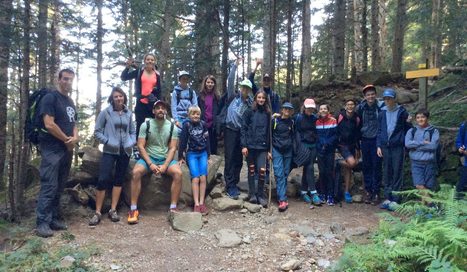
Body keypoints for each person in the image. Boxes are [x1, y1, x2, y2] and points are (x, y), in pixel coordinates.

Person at [36, 68, 78, 238]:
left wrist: (74, 138)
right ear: (59, 79)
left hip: (66, 149)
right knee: (49, 184)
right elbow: (49, 124)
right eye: (65, 79)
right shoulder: (50, 98)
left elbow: (74, 123)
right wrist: (66, 140)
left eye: (70, 80)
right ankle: (42, 222)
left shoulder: (70, 102)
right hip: (52, 147)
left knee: (60, 184)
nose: (68, 82)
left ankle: (53, 218)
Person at [127, 100, 182, 224]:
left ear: (166, 111)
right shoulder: (145, 125)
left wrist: (165, 165)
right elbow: (140, 146)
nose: (160, 110)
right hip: (148, 158)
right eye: (158, 108)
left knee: (178, 174)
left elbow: (173, 147)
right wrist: (150, 164)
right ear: (153, 111)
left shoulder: (172, 126)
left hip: (165, 159)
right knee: (136, 173)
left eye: (163, 108)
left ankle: (173, 207)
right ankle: (133, 209)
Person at [89, 87, 136, 226]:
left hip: (125, 151)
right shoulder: (106, 113)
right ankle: (97, 212)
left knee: (119, 179)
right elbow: (97, 132)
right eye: (116, 96)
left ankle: (113, 210)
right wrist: (108, 141)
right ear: (112, 98)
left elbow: (133, 131)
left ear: (124, 97)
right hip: (109, 150)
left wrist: (131, 142)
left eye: (121, 96)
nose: (118, 99)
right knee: (103, 178)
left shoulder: (128, 113)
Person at [377, 88, 412, 211]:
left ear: (394, 99)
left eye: (389, 98)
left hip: (398, 146)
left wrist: (405, 143)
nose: (387, 100)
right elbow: (379, 130)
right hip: (385, 146)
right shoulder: (381, 112)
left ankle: (396, 199)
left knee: (397, 171)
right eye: (385, 98)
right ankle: (387, 197)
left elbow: (408, 128)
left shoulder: (402, 112)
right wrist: (378, 146)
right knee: (387, 171)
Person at [223, 59, 253, 199]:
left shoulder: (250, 103)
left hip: (241, 132)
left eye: (247, 88)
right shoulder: (233, 96)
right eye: (243, 88)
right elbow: (230, 80)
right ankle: (229, 185)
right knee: (229, 158)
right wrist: (235, 65)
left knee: (238, 159)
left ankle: (234, 182)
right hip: (229, 129)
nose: (245, 90)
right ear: (240, 88)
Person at [241, 90, 272, 207]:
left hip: (262, 147)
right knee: (252, 170)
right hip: (250, 146)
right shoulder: (249, 111)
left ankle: (260, 194)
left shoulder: (268, 113)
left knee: (262, 171)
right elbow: (243, 128)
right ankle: (252, 194)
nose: (261, 100)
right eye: (259, 97)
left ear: (265, 100)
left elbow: (270, 133)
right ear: (255, 98)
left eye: (263, 98)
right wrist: (243, 145)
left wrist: (269, 150)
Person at [178, 106, 210, 213]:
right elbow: (182, 141)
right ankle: (196, 204)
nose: (196, 116)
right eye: (193, 114)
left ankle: (202, 202)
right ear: (189, 115)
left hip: (203, 153)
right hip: (192, 153)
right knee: (195, 178)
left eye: (197, 114)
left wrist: (208, 154)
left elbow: (207, 139)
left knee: (203, 178)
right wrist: (180, 157)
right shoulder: (186, 125)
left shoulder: (203, 124)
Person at [120, 53, 161, 136]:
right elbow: (124, 77)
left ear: (154, 62)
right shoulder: (139, 72)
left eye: (152, 60)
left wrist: (159, 103)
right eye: (148, 59)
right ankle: (138, 146)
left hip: (153, 103)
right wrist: (128, 66)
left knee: (155, 126)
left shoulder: (157, 74)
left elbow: (159, 90)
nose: (150, 61)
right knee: (140, 126)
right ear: (144, 61)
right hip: (141, 102)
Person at [356, 85, 384, 204]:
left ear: (375, 95)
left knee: (376, 165)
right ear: (365, 96)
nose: (370, 96)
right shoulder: (361, 108)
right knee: (366, 166)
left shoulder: (381, 107)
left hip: (377, 139)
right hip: (365, 139)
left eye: (372, 94)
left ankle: (376, 192)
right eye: (368, 95)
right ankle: (368, 191)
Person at [404, 109, 439, 191]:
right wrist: (423, 142)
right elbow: (408, 144)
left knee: (429, 186)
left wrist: (415, 146)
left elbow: (433, 146)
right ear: (415, 119)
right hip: (416, 163)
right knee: (419, 185)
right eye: (418, 117)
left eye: (423, 117)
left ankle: (425, 203)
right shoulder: (412, 131)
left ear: (427, 118)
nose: (420, 119)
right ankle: (431, 203)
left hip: (429, 163)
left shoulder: (433, 131)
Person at [295, 98, 321, 206]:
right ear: (304, 107)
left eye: (312, 108)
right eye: (308, 108)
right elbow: (296, 131)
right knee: (309, 166)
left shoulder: (315, 118)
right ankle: (314, 192)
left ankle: (304, 191)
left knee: (308, 167)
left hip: (313, 145)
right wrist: (298, 145)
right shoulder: (299, 118)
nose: (310, 110)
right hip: (303, 145)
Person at [336, 99, 362, 203]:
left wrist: (358, 148)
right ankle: (336, 161)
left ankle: (346, 192)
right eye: (348, 105)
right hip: (341, 145)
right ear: (345, 106)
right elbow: (335, 130)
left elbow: (358, 134)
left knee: (349, 168)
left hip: (352, 145)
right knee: (351, 163)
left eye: (352, 104)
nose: (350, 106)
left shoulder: (357, 118)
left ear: (354, 106)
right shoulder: (340, 116)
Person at [272, 102, 295, 211]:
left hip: (288, 150)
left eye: (289, 109)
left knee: (285, 173)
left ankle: (281, 195)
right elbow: (269, 135)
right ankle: (282, 199)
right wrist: (269, 151)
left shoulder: (292, 122)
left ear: (291, 111)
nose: (287, 111)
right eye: (285, 108)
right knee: (279, 173)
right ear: (282, 110)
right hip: (276, 149)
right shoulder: (275, 120)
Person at [316, 104, 338, 206]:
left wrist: (327, 143)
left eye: (325, 109)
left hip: (330, 150)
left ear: (328, 110)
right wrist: (321, 145)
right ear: (319, 111)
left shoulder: (333, 120)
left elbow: (335, 135)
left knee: (329, 172)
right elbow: (316, 136)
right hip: (320, 150)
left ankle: (330, 195)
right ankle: (322, 193)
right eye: (321, 109)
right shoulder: (317, 122)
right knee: (322, 172)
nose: (323, 110)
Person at [198, 75, 220, 154]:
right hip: (203, 124)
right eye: (208, 82)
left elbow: (218, 112)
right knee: (203, 146)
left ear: (214, 84)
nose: (210, 84)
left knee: (213, 147)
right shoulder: (200, 96)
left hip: (213, 126)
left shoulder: (217, 97)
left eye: (212, 82)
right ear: (205, 83)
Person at [455, 121, 466, 199]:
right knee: (461, 186)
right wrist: (460, 148)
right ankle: (457, 207)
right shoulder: (464, 126)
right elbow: (459, 141)